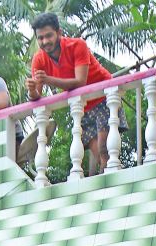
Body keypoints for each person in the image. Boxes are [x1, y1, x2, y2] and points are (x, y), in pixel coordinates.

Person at [25, 12, 127, 174]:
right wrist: (31, 91)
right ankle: (105, 183)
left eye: (48, 36)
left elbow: (80, 81)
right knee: (99, 155)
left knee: (104, 150)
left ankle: (110, 183)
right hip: (84, 106)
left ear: (59, 33)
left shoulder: (77, 45)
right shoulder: (39, 59)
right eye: (40, 38)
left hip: (103, 97)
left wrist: (48, 80)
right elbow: (36, 95)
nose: (44, 42)